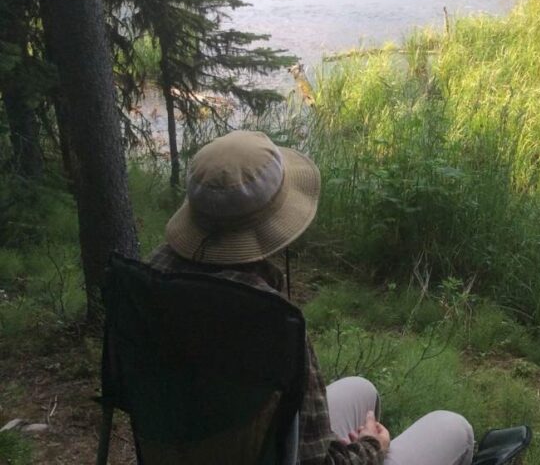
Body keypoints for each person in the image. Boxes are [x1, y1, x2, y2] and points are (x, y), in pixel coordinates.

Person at [148, 130, 475, 465]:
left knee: (362, 389)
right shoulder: (267, 319)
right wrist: (369, 448)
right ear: (271, 223)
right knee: (454, 428)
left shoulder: (153, 279)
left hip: (192, 448)